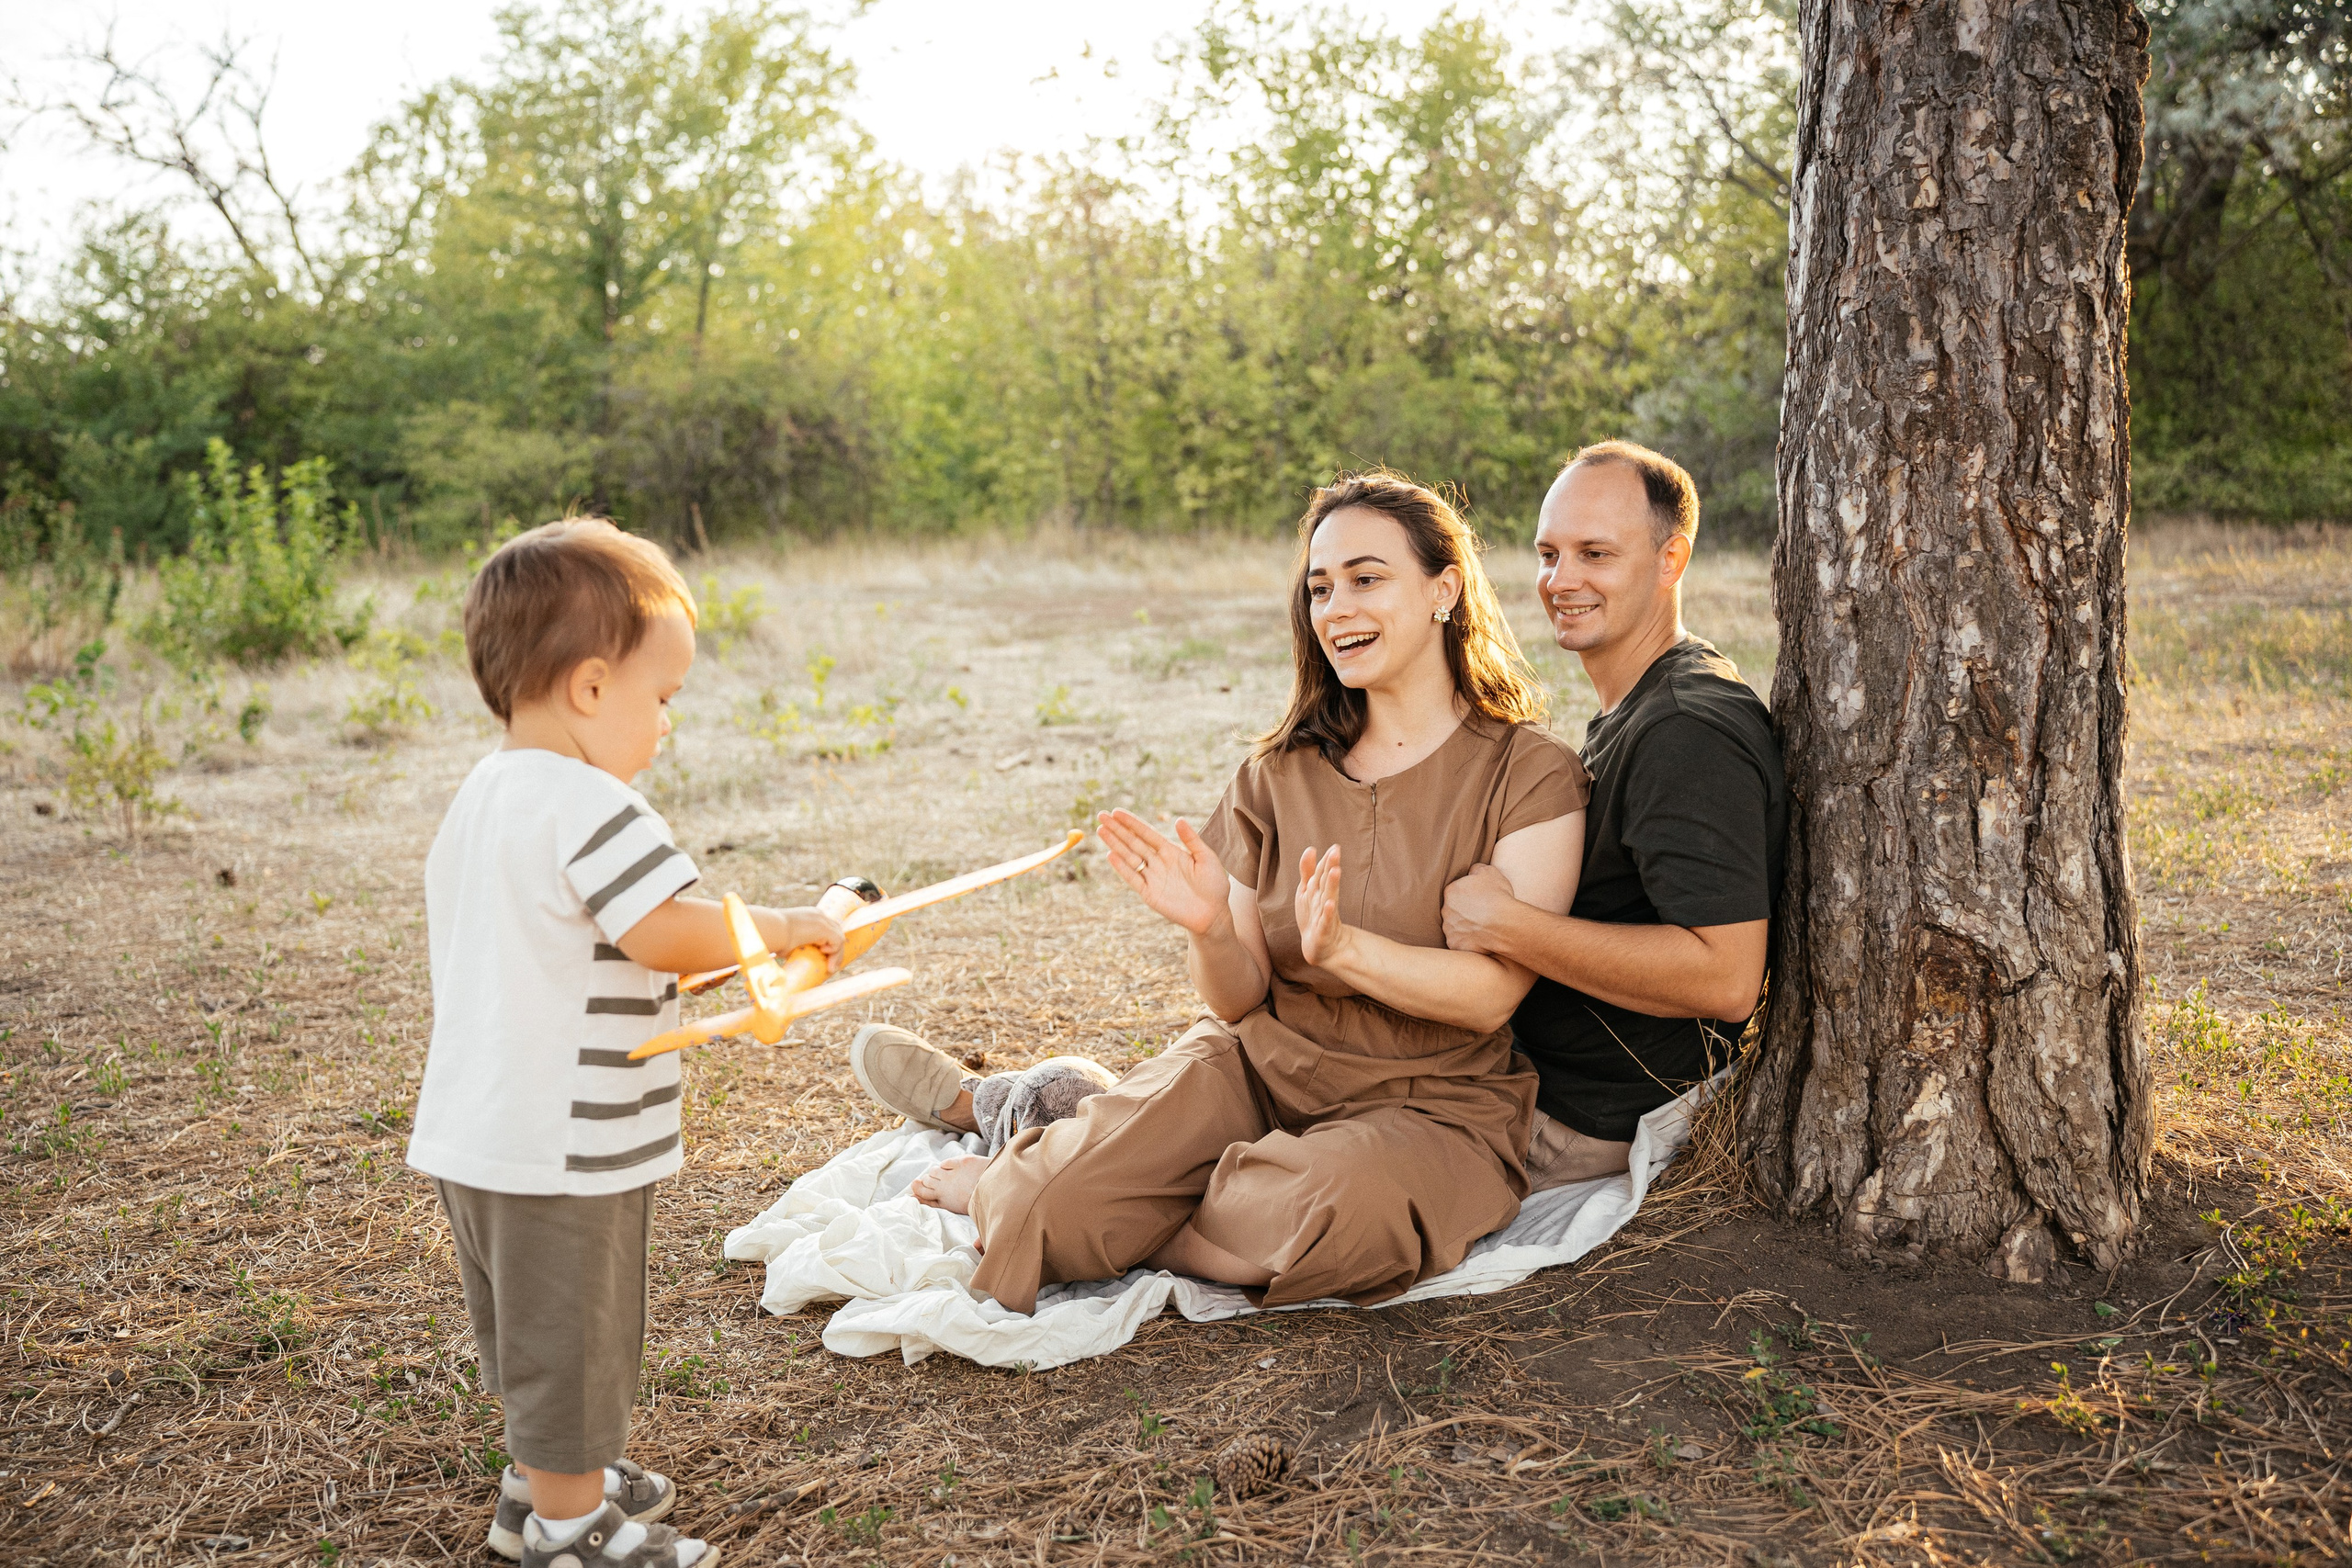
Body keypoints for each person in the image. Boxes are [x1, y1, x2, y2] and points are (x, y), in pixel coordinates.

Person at [848, 469, 1590, 1313]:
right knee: (1033, 1205)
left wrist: (1346, 948)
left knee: (1341, 1216)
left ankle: (1120, 1197)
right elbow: (1238, 1001)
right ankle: (1069, 1174)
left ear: (1444, 589)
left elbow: (1491, 996)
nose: (1337, 607)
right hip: (1260, 1067)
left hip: (1429, 1106)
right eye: (1320, 588)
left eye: (1367, 578)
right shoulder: (1277, 774)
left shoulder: (1531, 773)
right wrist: (1207, 927)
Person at [406, 519, 844, 1568]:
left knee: (528, 1331)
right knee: (576, 1337)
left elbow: (605, 947)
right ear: (592, 689)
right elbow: (666, 927)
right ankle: (565, 1529)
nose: (668, 723)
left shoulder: (484, 796)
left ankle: (544, 1482)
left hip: (479, 1131)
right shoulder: (593, 803)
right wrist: (781, 929)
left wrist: (711, 958)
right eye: (665, 697)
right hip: (565, 1143)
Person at [1442, 441, 1786, 1187]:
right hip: (1534, 1073)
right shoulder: (1648, 698)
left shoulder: (1684, 731)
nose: (1561, 581)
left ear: (1672, 559)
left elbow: (1726, 975)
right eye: (1548, 553)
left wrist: (1505, 926)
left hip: (1572, 1116)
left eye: (1595, 554)